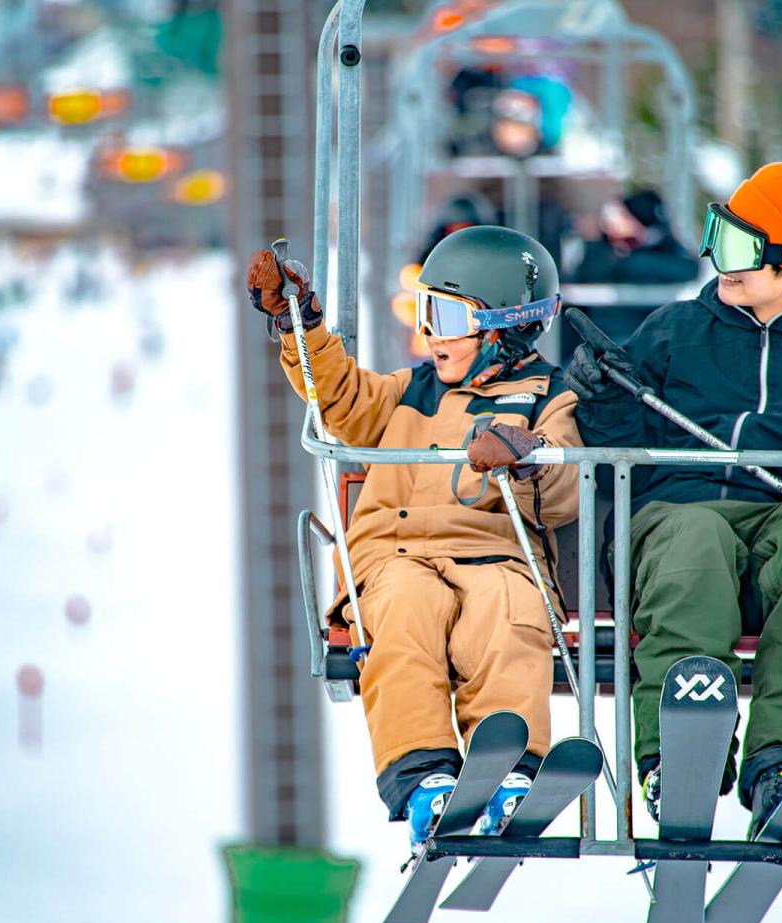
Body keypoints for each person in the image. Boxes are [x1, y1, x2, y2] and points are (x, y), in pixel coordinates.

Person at [563, 161, 782, 837]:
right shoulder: (674, 332)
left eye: (735, 246)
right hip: (674, 527)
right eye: (715, 237)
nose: (713, 260)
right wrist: (602, 396)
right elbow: (617, 458)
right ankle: (678, 746)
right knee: (697, 538)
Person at [246, 226, 581, 857]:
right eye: (424, 312)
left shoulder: (546, 399)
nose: (429, 333)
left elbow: (567, 478)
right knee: (403, 616)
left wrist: (528, 457)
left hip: (497, 552)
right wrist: (300, 325)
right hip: (395, 555)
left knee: (508, 619)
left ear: (506, 324)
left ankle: (509, 768)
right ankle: (423, 774)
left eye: (447, 316)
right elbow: (339, 396)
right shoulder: (410, 390)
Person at [563, 187, 701, 349]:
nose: (613, 222)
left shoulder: (663, 249)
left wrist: (631, 258)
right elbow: (584, 279)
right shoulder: (601, 249)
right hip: (600, 340)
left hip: (647, 341)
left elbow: (688, 269)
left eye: (622, 217)